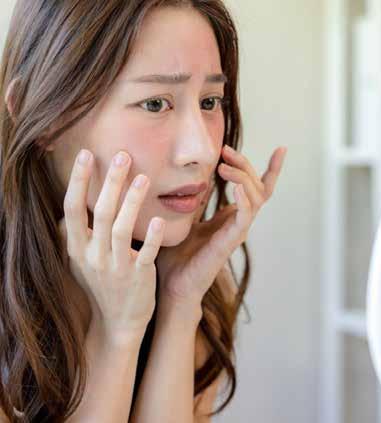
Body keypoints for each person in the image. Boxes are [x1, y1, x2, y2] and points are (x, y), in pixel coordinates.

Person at [0, 0, 287, 421]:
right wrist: (116, 334)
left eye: (210, 101)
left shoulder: (194, 281)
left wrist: (179, 302)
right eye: (155, 104)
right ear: (40, 115)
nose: (201, 150)